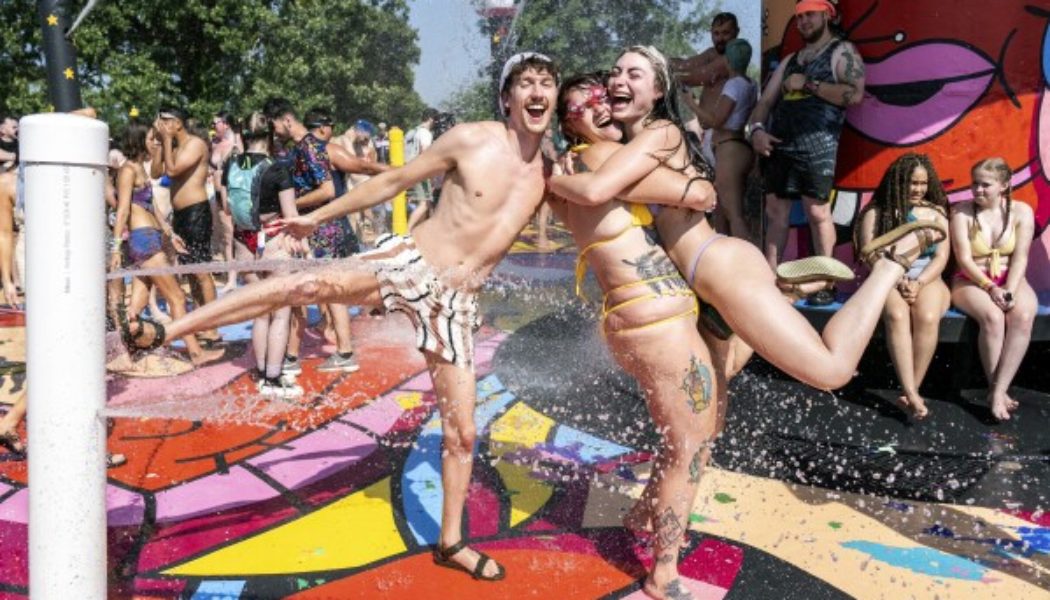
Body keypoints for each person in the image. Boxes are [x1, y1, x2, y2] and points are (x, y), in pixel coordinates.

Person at [126, 52, 561, 582]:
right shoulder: (473, 138)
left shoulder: (551, 168)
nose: (538, 92)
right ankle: (166, 330)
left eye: (547, 83)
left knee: (463, 434)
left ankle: (451, 542)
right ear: (508, 96)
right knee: (302, 284)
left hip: (457, 305)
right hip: (413, 265)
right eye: (527, 83)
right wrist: (314, 219)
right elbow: (392, 181)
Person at [552, 71, 720, 600]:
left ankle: (643, 513)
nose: (601, 110)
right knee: (690, 446)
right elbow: (696, 194)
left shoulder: (574, 166)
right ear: (568, 125)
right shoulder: (596, 159)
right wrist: (694, 184)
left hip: (641, 321)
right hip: (655, 322)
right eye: (585, 107)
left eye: (603, 101)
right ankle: (664, 571)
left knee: (683, 436)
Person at [746, 0, 866, 305]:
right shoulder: (790, 60)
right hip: (779, 144)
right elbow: (764, 103)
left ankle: (826, 281)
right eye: (799, 17)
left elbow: (855, 94)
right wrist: (756, 131)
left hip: (819, 145)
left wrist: (810, 84)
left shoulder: (842, 51)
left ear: (827, 15)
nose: (803, 22)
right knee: (776, 215)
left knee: (817, 213)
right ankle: (769, 279)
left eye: (809, 15)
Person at [111, 122, 224, 367]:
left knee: (137, 302)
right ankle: (195, 352)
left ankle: (126, 346)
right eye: (152, 139)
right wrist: (115, 248)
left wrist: (170, 233)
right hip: (144, 241)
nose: (156, 143)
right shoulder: (127, 171)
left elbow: (152, 208)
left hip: (151, 237)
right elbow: (122, 212)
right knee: (177, 298)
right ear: (138, 140)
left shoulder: (140, 168)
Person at [264, 98, 358, 374]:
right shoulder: (304, 148)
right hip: (320, 227)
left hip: (321, 229)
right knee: (330, 290)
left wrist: (292, 206)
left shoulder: (308, 148)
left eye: (274, 125)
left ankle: (330, 352)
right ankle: (342, 351)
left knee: (317, 290)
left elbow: (328, 191)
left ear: (286, 120)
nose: (274, 132)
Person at [854, 154, 951, 419]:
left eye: (922, 183)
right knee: (897, 316)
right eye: (911, 183)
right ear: (898, 182)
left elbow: (941, 257)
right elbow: (869, 254)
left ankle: (912, 390)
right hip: (886, 279)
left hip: (927, 278)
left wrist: (918, 283)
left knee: (928, 317)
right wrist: (896, 280)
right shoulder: (876, 211)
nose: (918, 189)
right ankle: (909, 388)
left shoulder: (936, 212)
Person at [223, 112, 307, 397]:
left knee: (260, 312)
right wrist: (304, 245)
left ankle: (260, 372)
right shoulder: (278, 168)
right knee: (280, 315)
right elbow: (291, 216)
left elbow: (225, 207)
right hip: (273, 242)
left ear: (243, 135)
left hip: (243, 242)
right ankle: (273, 378)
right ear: (269, 135)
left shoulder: (230, 164)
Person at [949, 157, 1037, 421]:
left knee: (1022, 316)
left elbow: (1021, 256)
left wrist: (1009, 289)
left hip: (1011, 277)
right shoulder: (962, 213)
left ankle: (999, 390)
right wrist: (990, 288)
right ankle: (995, 389)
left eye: (985, 185)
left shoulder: (1021, 212)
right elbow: (963, 258)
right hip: (971, 278)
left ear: (1004, 186)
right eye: (974, 184)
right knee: (993, 317)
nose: (977, 190)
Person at [150, 106, 223, 345]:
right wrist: (162, 145)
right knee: (190, 272)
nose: (161, 125)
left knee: (201, 272)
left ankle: (212, 327)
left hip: (196, 212)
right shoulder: (173, 145)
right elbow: (156, 172)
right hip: (180, 215)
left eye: (166, 121)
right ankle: (200, 321)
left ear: (178, 123)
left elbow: (172, 170)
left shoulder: (195, 144)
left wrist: (168, 140)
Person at [677, 39, 756, 240]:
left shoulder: (733, 84)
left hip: (729, 148)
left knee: (734, 213)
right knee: (722, 209)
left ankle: (747, 263)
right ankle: (726, 254)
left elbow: (715, 121)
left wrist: (691, 103)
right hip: (736, 146)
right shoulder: (751, 83)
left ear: (727, 61)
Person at [669, 12, 739, 167]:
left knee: (720, 187)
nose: (720, 38)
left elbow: (694, 77)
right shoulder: (711, 53)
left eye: (726, 33)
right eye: (716, 33)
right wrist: (660, 58)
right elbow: (686, 64)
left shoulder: (731, 58)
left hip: (724, 137)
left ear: (737, 32)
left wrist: (659, 71)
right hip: (710, 134)